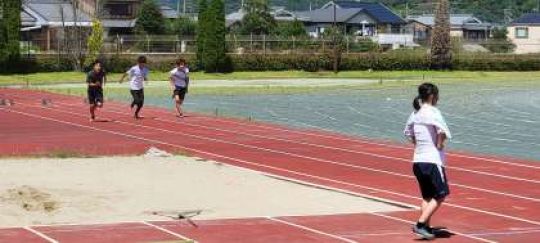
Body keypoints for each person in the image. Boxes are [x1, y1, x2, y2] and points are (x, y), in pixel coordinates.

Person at [404, 83, 452, 240]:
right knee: (441, 195)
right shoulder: (433, 112)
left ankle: (427, 228)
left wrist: (418, 144)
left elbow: (408, 133)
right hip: (432, 160)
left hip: (418, 161)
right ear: (432, 97)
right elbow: (442, 131)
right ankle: (420, 224)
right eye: (437, 96)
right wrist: (439, 144)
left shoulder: (415, 113)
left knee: (427, 197)